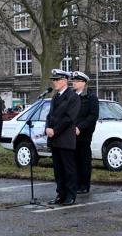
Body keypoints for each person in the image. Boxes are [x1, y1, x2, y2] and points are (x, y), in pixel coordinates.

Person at [46, 69, 80, 206]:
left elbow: (69, 118)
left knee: (68, 169)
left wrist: (55, 130)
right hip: (54, 139)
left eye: (57, 80)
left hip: (65, 138)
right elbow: (50, 115)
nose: (55, 82)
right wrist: (47, 128)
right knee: (58, 169)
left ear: (65, 81)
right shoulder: (55, 97)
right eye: (54, 80)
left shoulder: (73, 97)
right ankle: (61, 194)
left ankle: (70, 195)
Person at [71, 71, 99, 194]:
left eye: (77, 81)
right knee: (73, 160)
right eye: (73, 81)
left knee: (83, 160)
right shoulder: (71, 96)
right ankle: (75, 183)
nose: (74, 83)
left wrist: (80, 128)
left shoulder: (90, 97)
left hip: (84, 134)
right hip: (70, 134)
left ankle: (84, 185)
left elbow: (92, 116)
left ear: (84, 83)